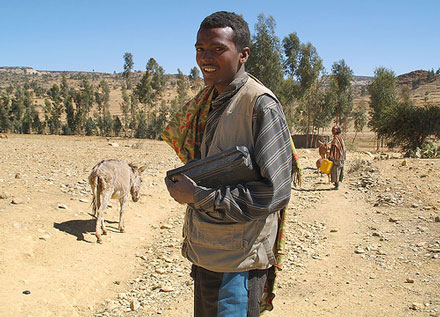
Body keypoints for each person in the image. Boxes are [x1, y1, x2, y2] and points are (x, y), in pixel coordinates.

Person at [161, 11, 292, 316]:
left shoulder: (260, 105)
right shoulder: (209, 101)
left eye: (218, 49)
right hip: (207, 254)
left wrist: (199, 197)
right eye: (199, 49)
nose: (205, 57)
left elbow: (274, 193)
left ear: (243, 54)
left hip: (238, 263)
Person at [328, 125, 346, 189]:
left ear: (337, 130)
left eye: (334, 130)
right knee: (339, 169)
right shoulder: (340, 138)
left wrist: (331, 156)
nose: (332, 131)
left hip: (337, 157)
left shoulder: (335, 138)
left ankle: (336, 185)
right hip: (342, 156)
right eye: (332, 130)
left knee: (335, 170)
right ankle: (336, 183)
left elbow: (334, 148)